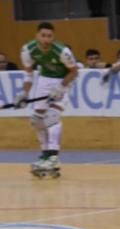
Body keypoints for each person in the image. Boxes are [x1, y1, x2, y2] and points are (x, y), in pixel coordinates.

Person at [15, 22, 80, 178]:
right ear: (37, 36)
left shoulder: (62, 51)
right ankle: (45, 154)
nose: (46, 39)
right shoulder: (28, 50)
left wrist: (61, 87)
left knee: (52, 117)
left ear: (53, 37)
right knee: (36, 120)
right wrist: (24, 93)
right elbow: (29, 74)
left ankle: (53, 156)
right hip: (44, 80)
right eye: (43, 35)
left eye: (49, 36)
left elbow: (74, 71)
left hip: (63, 80)